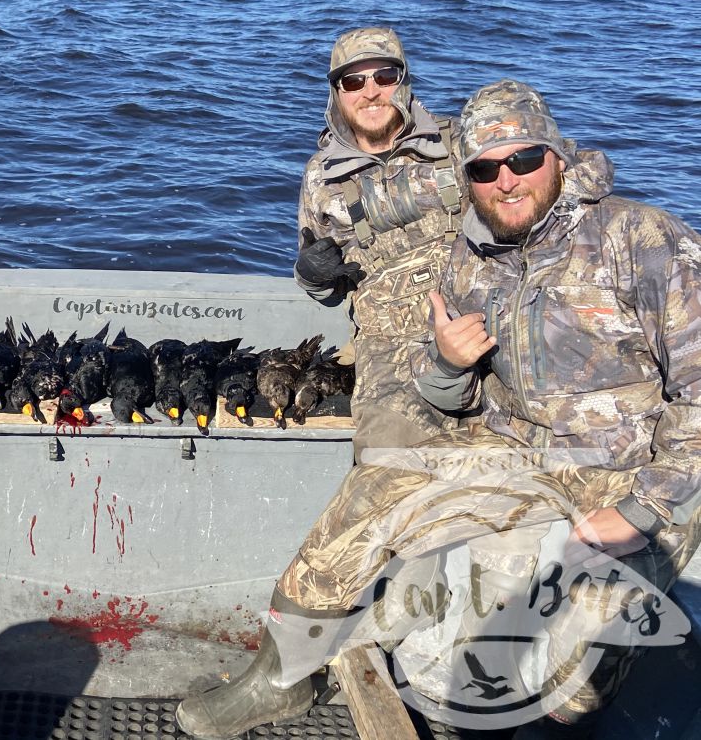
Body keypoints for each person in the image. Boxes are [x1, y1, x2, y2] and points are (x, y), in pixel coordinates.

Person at [177, 79, 701, 739]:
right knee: (376, 490)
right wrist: (449, 365)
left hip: (642, 468)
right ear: (468, 178)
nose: (506, 180)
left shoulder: (644, 240)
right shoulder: (472, 259)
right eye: (484, 168)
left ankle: (569, 706)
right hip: (518, 453)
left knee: (575, 658)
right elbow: (451, 396)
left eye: (523, 159)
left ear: (557, 155)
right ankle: (281, 677)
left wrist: (641, 512)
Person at [293, 26, 466, 460]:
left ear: (403, 81)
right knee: (390, 470)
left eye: (384, 77)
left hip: (482, 329)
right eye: (354, 81)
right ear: (337, 93)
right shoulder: (321, 177)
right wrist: (312, 274)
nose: (370, 92)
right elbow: (323, 290)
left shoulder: (462, 145)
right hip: (391, 357)